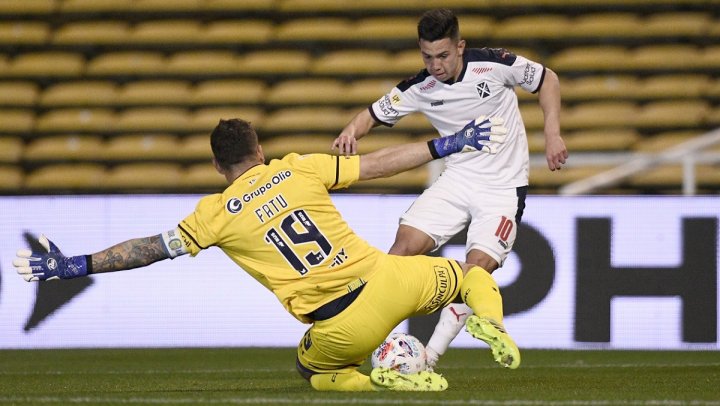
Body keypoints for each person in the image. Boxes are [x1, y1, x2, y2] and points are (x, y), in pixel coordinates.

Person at [15, 116, 520, 393]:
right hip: (390, 278)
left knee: (313, 373)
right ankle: (492, 321)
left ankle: (370, 383)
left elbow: (148, 250)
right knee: (469, 275)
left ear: (218, 165)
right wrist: (444, 145)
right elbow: (377, 165)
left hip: (344, 326)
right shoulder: (298, 167)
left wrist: (77, 264)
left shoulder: (215, 213)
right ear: (259, 151)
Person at [332, 8, 568, 369]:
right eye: (427, 56)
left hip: (503, 189)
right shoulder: (420, 87)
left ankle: (429, 357)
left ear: (460, 47)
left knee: (476, 271)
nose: (436, 65)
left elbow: (547, 79)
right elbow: (371, 115)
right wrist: (350, 132)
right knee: (400, 253)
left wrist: (552, 135)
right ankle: (363, 341)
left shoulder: (493, 64)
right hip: (457, 180)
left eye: (443, 55)